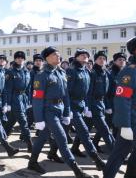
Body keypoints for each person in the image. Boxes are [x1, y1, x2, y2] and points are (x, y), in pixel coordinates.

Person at [28, 46, 93, 178]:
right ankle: (78, 171)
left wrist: (67, 112)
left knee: (41, 138)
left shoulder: (61, 73)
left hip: (60, 109)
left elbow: (66, 95)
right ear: (47, 58)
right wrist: (39, 119)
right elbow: (37, 99)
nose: (58, 57)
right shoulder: (41, 75)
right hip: (48, 111)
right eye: (55, 55)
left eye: (58, 55)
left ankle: (32, 162)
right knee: (62, 139)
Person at [104, 36, 136, 178]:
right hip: (133, 117)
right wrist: (125, 125)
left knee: (121, 153)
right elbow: (122, 98)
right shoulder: (131, 71)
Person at [67, 49, 106, 170]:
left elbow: (88, 91)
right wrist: (68, 109)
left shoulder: (86, 71)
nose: (85, 57)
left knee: (58, 132)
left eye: (87, 55)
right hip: (72, 106)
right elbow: (66, 92)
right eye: (82, 55)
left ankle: (52, 152)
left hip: (81, 105)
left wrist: (87, 106)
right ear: (76, 57)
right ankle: (97, 160)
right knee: (84, 131)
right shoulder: (71, 71)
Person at [4, 51, 33, 152]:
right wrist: (7, 103)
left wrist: (29, 100)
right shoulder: (11, 72)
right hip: (15, 98)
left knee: (11, 120)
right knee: (23, 121)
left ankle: (3, 136)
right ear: (15, 59)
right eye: (18, 58)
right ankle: (30, 144)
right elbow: (8, 89)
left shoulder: (26, 71)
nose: (20, 59)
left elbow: (29, 87)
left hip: (23, 98)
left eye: (22, 58)